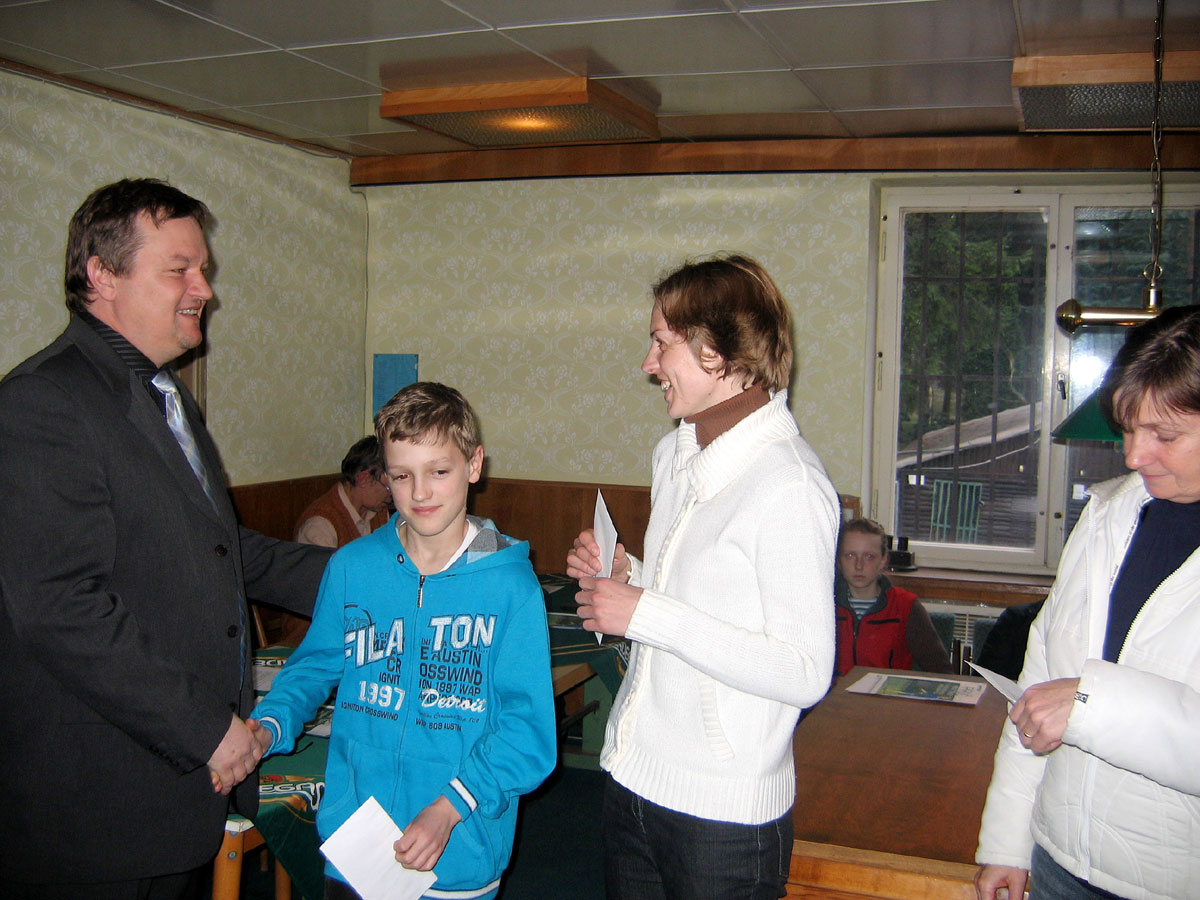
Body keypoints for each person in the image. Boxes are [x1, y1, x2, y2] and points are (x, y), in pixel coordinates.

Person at [0, 178, 332, 899]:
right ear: (102, 274)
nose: (204, 289)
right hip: (97, 805)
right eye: (180, 269)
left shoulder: (166, 396)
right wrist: (208, 728)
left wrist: (383, 569)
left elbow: (225, 551)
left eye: (202, 269)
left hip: (171, 794)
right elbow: (60, 609)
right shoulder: (42, 403)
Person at [566, 253, 839, 900]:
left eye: (661, 343)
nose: (648, 364)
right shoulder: (676, 454)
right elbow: (700, 600)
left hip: (722, 817)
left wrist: (644, 612)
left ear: (718, 352)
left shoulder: (789, 484)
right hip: (633, 779)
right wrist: (628, 577)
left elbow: (804, 670)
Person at [251, 381, 557, 900]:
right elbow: (313, 666)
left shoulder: (511, 587)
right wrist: (269, 726)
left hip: (456, 849)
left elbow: (527, 732)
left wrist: (452, 805)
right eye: (401, 475)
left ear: (474, 465)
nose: (419, 494)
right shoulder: (352, 567)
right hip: (357, 843)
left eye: (439, 472)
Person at [975, 305, 1200, 900]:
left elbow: (1070, 701)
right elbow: (1037, 688)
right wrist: (1007, 843)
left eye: (1165, 436)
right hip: (1058, 862)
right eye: (1128, 429)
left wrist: (1090, 704)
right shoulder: (1107, 514)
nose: (1133, 456)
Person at [834, 517, 954, 675]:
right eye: (850, 555)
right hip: (838, 691)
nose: (859, 565)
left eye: (869, 557)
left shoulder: (906, 607)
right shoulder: (826, 606)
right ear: (838, 560)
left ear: (883, 561)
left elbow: (942, 672)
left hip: (887, 690)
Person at [295, 435, 392, 548]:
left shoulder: (379, 510)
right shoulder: (319, 525)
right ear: (363, 479)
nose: (392, 495)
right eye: (388, 487)